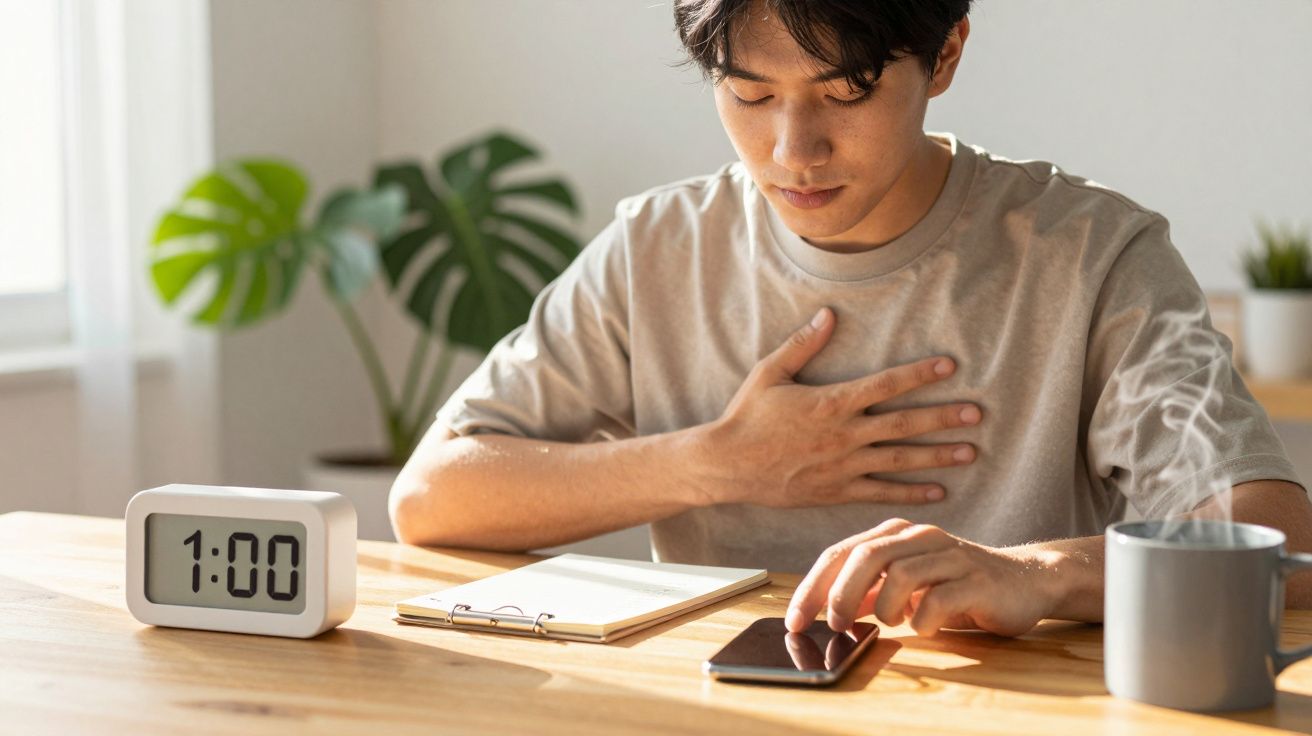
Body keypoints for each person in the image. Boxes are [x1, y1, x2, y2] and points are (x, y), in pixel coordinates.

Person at [388, 0, 1312, 638]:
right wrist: (716, 462)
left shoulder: (1090, 253)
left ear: (945, 54)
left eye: (845, 92)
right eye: (749, 94)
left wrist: (1035, 573)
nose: (794, 151)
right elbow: (433, 498)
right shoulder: (659, 248)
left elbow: (1281, 544)